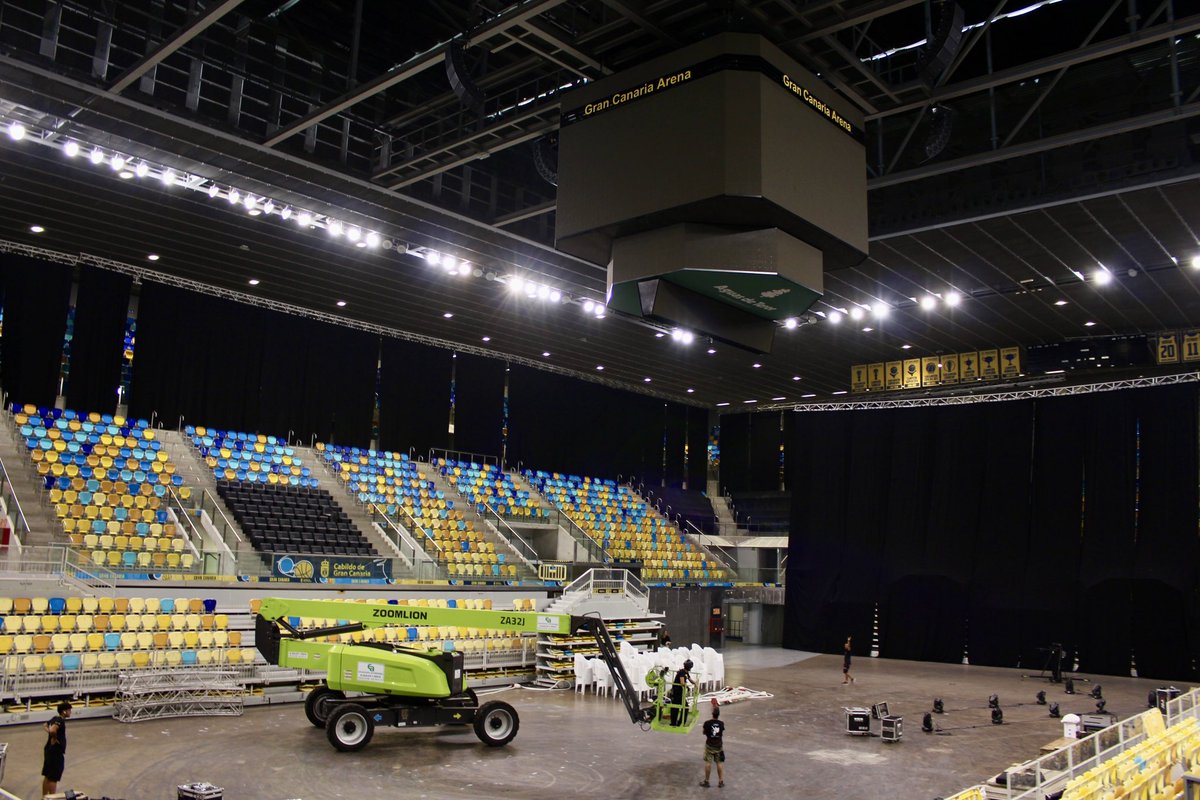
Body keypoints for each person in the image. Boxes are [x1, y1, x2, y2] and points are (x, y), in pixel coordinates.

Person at [42, 700, 72, 797]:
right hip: (56, 752)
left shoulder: (55, 718)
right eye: (69, 710)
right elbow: (53, 730)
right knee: (53, 777)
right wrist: (54, 738)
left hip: (49, 750)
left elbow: (45, 725)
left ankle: (44, 797)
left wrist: (50, 734)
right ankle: (52, 798)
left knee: (47, 775)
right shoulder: (60, 721)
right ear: (64, 711)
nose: (70, 712)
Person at [700, 704, 726, 788]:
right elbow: (721, 732)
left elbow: (703, 732)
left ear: (712, 713)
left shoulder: (707, 723)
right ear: (718, 714)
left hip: (709, 745)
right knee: (719, 763)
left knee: (708, 763)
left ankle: (707, 781)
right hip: (719, 745)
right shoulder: (721, 723)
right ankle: (721, 781)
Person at [671, 659, 696, 726]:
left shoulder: (685, 672)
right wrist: (687, 686)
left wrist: (695, 683)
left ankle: (678, 722)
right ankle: (677, 723)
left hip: (680, 692)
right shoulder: (682, 672)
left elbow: (690, 679)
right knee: (679, 708)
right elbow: (682, 682)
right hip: (677, 692)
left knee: (679, 707)